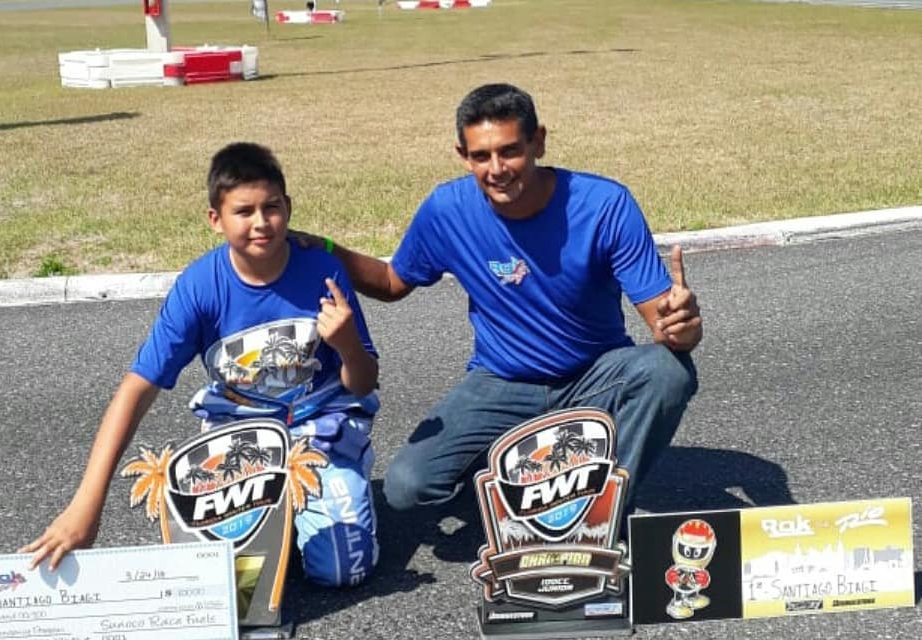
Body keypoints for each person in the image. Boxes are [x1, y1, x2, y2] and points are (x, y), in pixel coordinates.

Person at [294, 82, 701, 518]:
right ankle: (520, 469)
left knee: (668, 371)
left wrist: (683, 328)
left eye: (510, 151)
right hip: (503, 381)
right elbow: (392, 282)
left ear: (538, 141)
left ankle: (601, 508)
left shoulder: (604, 205)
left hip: (594, 377)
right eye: (481, 156)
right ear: (462, 155)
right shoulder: (447, 210)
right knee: (407, 486)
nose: (497, 169)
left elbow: (666, 326)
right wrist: (324, 248)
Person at [22, 142, 381, 588]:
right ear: (215, 219)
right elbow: (137, 389)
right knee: (225, 581)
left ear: (288, 208)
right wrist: (86, 505)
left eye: (271, 207)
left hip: (318, 428)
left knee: (343, 570)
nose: (260, 222)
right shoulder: (198, 287)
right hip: (241, 434)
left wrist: (347, 345)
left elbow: (363, 382)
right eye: (243, 211)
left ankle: (343, 478)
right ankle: (280, 513)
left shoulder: (324, 271)